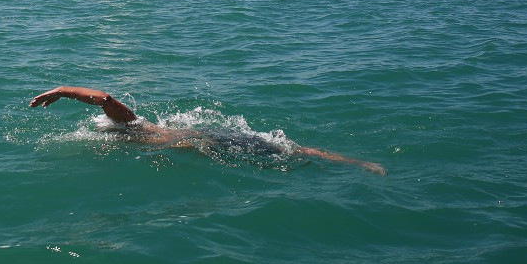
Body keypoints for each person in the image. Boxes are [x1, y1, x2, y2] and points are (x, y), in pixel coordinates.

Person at [29, 86, 386, 174]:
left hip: (205, 140)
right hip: (202, 138)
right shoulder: (136, 132)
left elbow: (105, 97)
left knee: (285, 154)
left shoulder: (131, 128)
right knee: (288, 150)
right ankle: (356, 163)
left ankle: (356, 164)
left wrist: (61, 90)